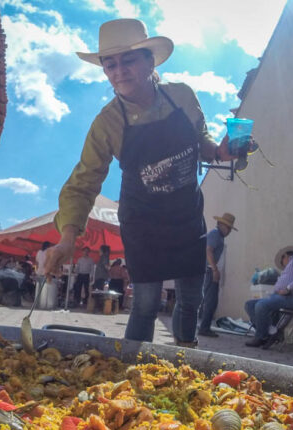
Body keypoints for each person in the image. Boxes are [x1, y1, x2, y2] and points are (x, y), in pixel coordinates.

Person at [44, 18, 236, 347]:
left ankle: (185, 361)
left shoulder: (182, 96)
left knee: (192, 299)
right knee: (145, 305)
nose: (119, 71)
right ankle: (133, 369)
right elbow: (84, 182)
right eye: (110, 64)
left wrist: (220, 151)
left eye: (128, 60)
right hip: (142, 222)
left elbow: (201, 140)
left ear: (150, 61)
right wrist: (67, 238)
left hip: (187, 216)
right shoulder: (107, 122)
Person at [244, 246, 293, 348]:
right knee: (249, 305)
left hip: (290, 297)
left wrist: (288, 288)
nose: (282, 265)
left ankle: (261, 337)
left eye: (281, 262)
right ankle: (270, 331)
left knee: (260, 305)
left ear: (285, 256)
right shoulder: (289, 268)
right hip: (279, 297)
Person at [197, 213, 237, 337]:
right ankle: (204, 328)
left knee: (208, 300)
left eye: (230, 228)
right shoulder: (215, 234)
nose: (229, 231)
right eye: (227, 227)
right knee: (211, 301)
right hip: (209, 270)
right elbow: (208, 251)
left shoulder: (218, 235)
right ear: (220, 224)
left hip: (207, 269)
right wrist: (215, 270)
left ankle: (203, 326)